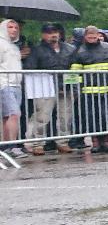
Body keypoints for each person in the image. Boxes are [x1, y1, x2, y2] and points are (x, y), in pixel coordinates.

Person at [70, 26, 108, 153]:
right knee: (92, 118)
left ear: (98, 35)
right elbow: (75, 73)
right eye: (89, 36)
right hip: (89, 92)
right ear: (85, 37)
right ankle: (96, 143)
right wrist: (76, 90)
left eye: (94, 36)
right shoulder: (79, 52)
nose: (92, 38)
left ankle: (107, 142)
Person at [21, 23, 77, 154]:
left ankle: (63, 142)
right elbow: (30, 68)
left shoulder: (70, 49)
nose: (53, 34)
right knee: (41, 117)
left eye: (55, 31)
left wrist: (73, 88)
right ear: (43, 35)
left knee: (66, 117)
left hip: (65, 88)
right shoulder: (36, 50)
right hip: (44, 88)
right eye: (49, 32)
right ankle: (38, 144)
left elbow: (74, 68)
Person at [0, 19, 25, 158]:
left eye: (16, 27)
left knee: (7, 116)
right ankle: (13, 146)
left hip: (16, 84)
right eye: (10, 27)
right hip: (5, 83)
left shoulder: (15, 46)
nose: (14, 30)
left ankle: (5, 146)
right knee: (14, 114)